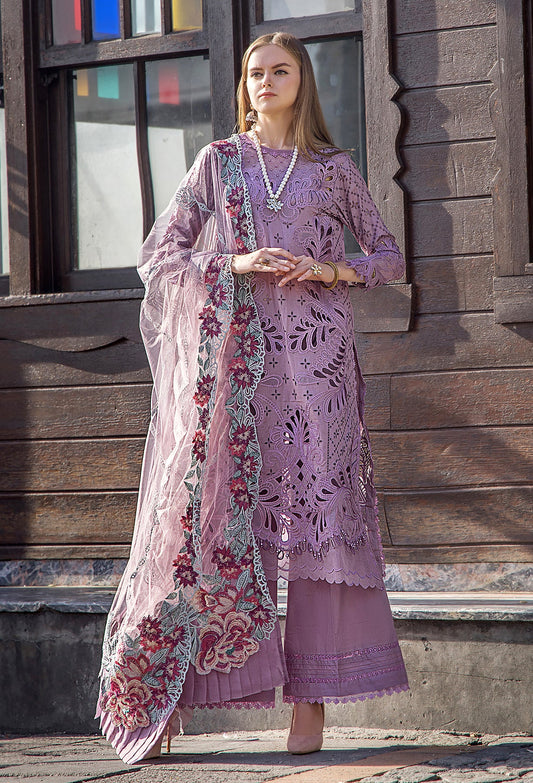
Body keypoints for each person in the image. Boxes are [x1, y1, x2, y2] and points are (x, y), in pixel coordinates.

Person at [96, 31, 408, 764]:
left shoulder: (333, 170)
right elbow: (160, 254)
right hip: (235, 374)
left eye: (280, 71)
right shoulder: (219, 162)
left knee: (317, 530)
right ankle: (170, 695)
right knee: (208, 520)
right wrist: (234, 262)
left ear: (303, 82)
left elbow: (389, 258)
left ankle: (311, 700)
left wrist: (327, 270)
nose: (265, 82)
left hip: (320, 376)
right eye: (254, 72)